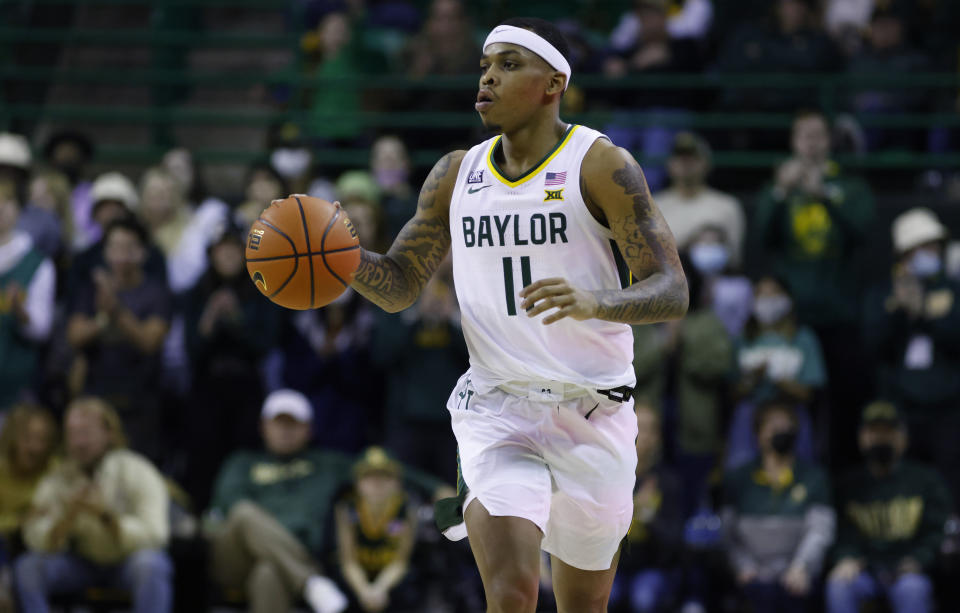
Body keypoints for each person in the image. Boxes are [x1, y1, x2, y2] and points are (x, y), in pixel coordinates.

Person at [328, 17, 688, 612]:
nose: (489, 76)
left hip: (593, 409)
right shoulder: (454, 173)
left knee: (582, 605)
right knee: (514, 592)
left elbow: (672, 289)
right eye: (485, 65)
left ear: (553, 84)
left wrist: (598, 302)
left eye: (509, 64)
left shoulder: (599, 164)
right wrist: (342, 258)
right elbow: (398, 286)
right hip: (499, 409)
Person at [14, 397, 172, 613]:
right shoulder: (57, 478)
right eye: (73, 434)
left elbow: (157, 534)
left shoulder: (137, 470)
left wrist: (106, 516)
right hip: (79, 564)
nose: (79, 443)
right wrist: (66, 519)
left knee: (152, 565)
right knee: (28, 567)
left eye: (86, 433)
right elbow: (33, 534)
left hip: (125, 562)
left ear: (109, 433)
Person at [205, 389, 350, 613]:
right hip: (237, 558)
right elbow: (228, 506)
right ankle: (311, 583)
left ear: (309, 429)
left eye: (293, 424)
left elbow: (383, 469)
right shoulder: (242, 463)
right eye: (278, 423)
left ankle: (305, 580)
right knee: (244, 512)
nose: (285, 431)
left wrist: (427, 487)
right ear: (263, 427)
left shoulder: (327, 465)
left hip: (285, 562)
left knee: (268, 572)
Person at [862, 208, 960, 502]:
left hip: (948, 405)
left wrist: (924, 314)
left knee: (950, 475)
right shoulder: (883, 294)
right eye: (922, 247)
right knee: (905, 480)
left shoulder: (952, 291)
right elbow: (873, 347)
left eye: (934, 246)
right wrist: (900, 310)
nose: (930, 252)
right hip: (901, 404)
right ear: (903, 252)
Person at [181, 225, 281, 509]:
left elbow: (265, 345)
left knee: (245, 457)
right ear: (211, 254)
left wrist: (236, 318)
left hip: (246, 388)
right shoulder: (196, 293)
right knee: (203, 457)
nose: (227, 256)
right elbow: (191, 349)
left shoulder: (264, 289)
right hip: (207, 388)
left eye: (234, 250)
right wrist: (210, 318)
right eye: (221, 250)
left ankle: (241, 514)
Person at [826, 400, 952, 613]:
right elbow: (839, 532)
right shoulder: (848, 484)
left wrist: (919, 560)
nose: (881, 439)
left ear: (903, 438)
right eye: (874, 433)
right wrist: (845, 557)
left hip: (908, 570)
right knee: (839, 585)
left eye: (888, 433)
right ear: (862, 438)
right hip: (864, 570)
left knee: (912, 589)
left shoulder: (926, 480)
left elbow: (938, 530)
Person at [66, 218, 172, 461]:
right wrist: (103, 320)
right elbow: (75, 335)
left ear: (142, 253)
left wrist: (116, 311)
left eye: (128, 248)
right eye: (114, 247)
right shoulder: (90, 290)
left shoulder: (156, 293)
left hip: (140, 402)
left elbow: (149, 341)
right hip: (96, 400)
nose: (120, 255)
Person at [722, 399, 835, 613]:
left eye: (786, 426)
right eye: (773, 425)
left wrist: (802, 567)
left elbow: (820, 531)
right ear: (758, 434)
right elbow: (728, 536)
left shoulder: (813, 477)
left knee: (794, 594)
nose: (781, 430)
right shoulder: (738, 479)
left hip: (797, 573)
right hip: (753, 574)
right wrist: (743, 566)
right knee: (760, 595)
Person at [727, 275, 824, 469]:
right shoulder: (742, 339)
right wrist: (753, 378)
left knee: (796, 471)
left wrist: (774, 376)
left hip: (791, 415)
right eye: (762, 294)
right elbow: (732, 392)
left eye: (774, 294)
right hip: (749, 418)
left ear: (788, 299)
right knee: (743, 471)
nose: (768, 300)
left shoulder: (803, 338)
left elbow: (809, 392)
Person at [610, 402, 684, 613]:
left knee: (644, 597)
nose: (643, 435)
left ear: (658, 437)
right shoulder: (610, 477)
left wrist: (649, 517)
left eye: (650, 429)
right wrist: (634, 508)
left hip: (652, 567)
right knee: (607, 595)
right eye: (637, 426)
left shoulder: (667, 482)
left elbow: (675, 543)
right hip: (614, 567)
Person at [334, 447, 418, 612]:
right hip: (357, 578)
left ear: (397, 482)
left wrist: (380, 589)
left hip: (391, 580)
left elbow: (401, 562)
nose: (377, 482)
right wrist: (365, 591)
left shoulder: (407, 509)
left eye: (385, 476)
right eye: (369, 476)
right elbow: (348, 562)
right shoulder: (347, 508)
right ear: (357, 483)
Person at [0, 180, 56, 412]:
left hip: (14, 384)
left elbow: (41, 329)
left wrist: (19, 311)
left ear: (19, 208)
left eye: (7, 201)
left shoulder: (37, 263)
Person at [654, 133, 745, 268]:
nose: (685, 163)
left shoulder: (727, 205)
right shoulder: (653, 205)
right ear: (669, 164)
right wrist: (689, 244)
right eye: (679, 157)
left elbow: (735, 259)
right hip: (668, 280)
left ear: (706, 163)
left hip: (714, 281)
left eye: (692, 157)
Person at [0, 405, 58, 611]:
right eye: (28, 438)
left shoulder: (56, 470)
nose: (34, 447)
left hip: (42, 549)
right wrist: (21, 520)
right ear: (12, 438)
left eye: (42, 440)